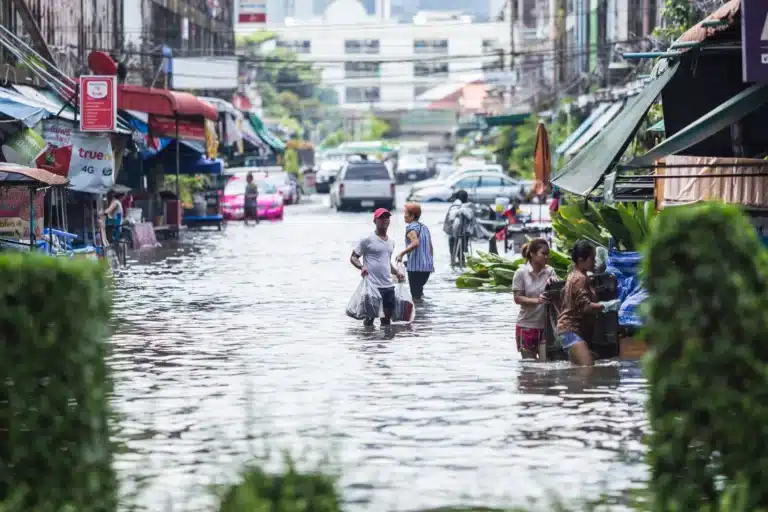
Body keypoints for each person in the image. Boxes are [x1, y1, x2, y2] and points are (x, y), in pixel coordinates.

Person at [556, 240, 619, 366]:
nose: (594, 262)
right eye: (592, 259)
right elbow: (585, 307)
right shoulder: (580, 278)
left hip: (568, 331)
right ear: (581, 260)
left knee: (578, 372)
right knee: (588, 368)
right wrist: (606, 306)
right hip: (570, 330)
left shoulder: (575, 275)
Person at [350, 208, 405, 326]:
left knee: (386, 322)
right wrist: (361, 267)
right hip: (372, 287)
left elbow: (386, 263)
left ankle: (383, 343)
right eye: (381, 217)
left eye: (387, 217)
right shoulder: (367, 240)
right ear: (375, 221)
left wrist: (397, 273)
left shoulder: (391, 242)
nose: (384, 220)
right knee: (369, 321)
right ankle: (370, 342)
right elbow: (353, 257)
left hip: (388, 287)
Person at [511, 238, 558, 360]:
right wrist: (537, 300)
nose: (546, 257)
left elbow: (558, 296)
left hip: (546, 327)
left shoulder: (550, 271)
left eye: (547, 254)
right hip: (526, 326)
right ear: (532, 253)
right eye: (543, 253)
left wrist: (553, 285)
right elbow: (517, 298)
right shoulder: (521, 272)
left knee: (546, 364)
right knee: (529, 369)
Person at [396, 202, 434, 300]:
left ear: (412, 216)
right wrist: (431, 263)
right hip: (427, 268)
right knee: (419, 293)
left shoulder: (410, 228)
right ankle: (422, 313)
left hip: (416, 268)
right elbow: (430, 247)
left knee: (415, 296)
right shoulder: (425, 227)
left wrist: (401, 253)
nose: (404, 216)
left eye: (406, 213)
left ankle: (418, 314)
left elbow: (415, 243)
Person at [444, 189, 470, 266]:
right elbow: (453, 217)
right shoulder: (458, 205)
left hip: (452, 230)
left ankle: (455, 261)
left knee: (454, 246)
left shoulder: (456, 204)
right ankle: (461, 261)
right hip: (456, 230)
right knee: (461, 245)